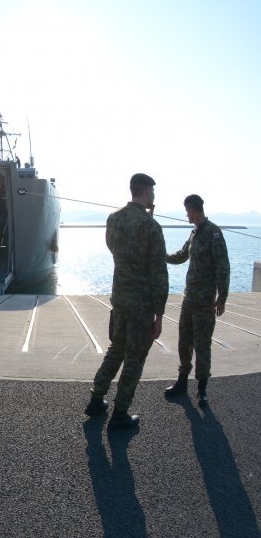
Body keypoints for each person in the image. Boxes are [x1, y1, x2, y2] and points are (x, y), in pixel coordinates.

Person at [84, 173, 168, 429]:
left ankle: (96, 400)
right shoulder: (151, 227)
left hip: (120, 300)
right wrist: (160, 315)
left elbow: (114, 248)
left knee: (116, 350)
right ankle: (120, 414)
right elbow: (158, 272)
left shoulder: (114, 218)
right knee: (134, 358)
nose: (154, 195)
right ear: (145, 191)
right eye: (152, 191)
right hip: (141, 306)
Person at [163, 194, 230, 407]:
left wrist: (222, 297)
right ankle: (182, 383)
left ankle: (202, 390)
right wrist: (161, 256)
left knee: (202, 346)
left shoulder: (213, 233)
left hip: (204, 303)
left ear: (194, 209)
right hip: (188, 300)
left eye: (187, 210)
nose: (186, 214)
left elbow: (223, 266)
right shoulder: (194, 234)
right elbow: (182, 255)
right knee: (184, 343)